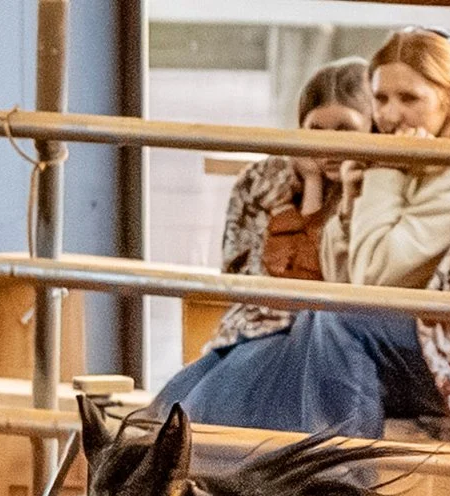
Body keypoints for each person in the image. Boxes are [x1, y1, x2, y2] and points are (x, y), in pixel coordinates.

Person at [154, 27, 450, 442]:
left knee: (334, 327)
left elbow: (373, 281)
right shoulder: (418, 157)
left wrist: (383, 174)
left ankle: (336, 492)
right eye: (381, 99)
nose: (393, 114)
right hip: (440, 337)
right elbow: (346, 279)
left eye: (410, 98)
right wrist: (359, 194)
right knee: (248, 354)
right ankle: (175, 447)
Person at [156, 59, 372, 417]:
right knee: (198, 393)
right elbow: (247, 276)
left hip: (321, 332)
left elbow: (330, 280)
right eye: (316, 130)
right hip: (261, 324)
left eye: (345, 128)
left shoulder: (374, 184)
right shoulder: (264, 180)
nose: (330, 144)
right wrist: (312, 188)